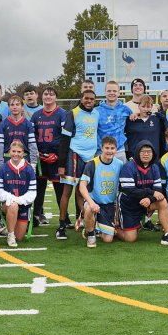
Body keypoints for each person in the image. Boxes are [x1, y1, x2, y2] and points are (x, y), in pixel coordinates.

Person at [56, 90, 100, 240]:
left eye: (92, 99)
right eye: (86, 98)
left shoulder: (96, 113)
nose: (89, 101)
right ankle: (61, 225)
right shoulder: (73, 113)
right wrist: (61, 164)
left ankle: (87, 222)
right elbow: (64, 138)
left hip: (90, 157)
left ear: (95, 100)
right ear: (81, 99)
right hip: (74, 155)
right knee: (67, 191)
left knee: (82, 192)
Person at [118, 140, 168, 243]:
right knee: (130, 239)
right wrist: (150, 193)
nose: (146, 154)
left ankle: (167, 235)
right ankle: (113, 229)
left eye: (149, 151)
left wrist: (149, 198)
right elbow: (130, 191)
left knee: (162, 201)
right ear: (137, 152)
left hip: (145, 202)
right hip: (129, 205)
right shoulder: (128, 167)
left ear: (153, 154)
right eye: (143, 151)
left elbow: (158, 191)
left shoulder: (154, 167)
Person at [31, 86, 67, 227]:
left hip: (56, 158)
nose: (48, 97)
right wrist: (37, 154)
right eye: (46, 94)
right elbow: (32, 137)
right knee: (39, 189)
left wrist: (58, 155)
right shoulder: (36, 115)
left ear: (56, 97)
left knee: (60, 190)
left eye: (51, 95)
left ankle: (64, 219)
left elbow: (65, 138)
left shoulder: (62, 114)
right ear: (42, 97)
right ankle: (37, 215)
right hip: (41, 158)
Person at [79, 137, 124, 248]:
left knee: (108, 239)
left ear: (116, 149)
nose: (109, 151)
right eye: (107, 148)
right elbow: (82, 186)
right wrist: (91, 202)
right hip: (94, 201)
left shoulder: (119, 164)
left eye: (112, 148)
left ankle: (97, 227)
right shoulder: (92, 164)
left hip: (109, 204)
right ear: (101, 148)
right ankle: (90, 234)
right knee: (89, 208)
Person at [0, 141, 37, 247]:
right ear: (9, 152)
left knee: (20, 237)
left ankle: (8, 228)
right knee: (13, 206)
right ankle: (10, 235)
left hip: (23, 204)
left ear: (23, 153)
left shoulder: (29, 169)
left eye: (19, 152)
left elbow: (32, 192)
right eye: (13, 151)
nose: (16, 154)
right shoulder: (3, 168)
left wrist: (20, 200)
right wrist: (11, 198)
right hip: (8, 204)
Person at [0, 95, 39, 168]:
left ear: (22, 107)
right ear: (9, 107)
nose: (15, 107)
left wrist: (33, 163)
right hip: (8, 160)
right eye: (12, 105)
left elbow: (32, 145)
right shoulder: (2, 124)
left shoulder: (28, 124)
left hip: (24, 159)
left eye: (17, 104)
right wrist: (0, 163)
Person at [96, 81, 133, 163]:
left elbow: (135, 118)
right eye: (109, 91)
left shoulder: (125, 109)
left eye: (114, 91)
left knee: (121, 174)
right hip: (101, 150)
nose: (111, 93)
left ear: (119, 93)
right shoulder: (96, 111)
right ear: (105, 92)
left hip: (119, 150)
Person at [124, 95, 168, 160]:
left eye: (148, 107)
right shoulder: (130, 120)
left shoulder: (157, 119)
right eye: (143, 106)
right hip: (135, 157)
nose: (145, 109)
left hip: (153, 157)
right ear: (138, 106)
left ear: (152, 107)